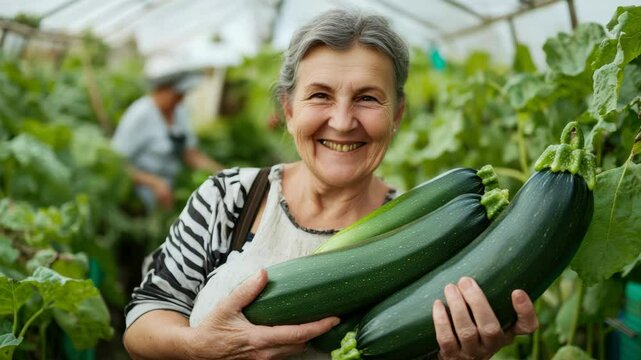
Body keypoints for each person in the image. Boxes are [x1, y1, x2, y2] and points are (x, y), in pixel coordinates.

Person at [123, 9, 539, 360]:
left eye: (368, 98)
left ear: (398, 115)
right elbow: (145, 315)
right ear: (288, 110)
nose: (342, 121)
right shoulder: (229, 199)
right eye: (319, 95)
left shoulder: (430, 231)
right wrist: (196, 345)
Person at [111, 71, 223, 211]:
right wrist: (153, 182)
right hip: (137, 200)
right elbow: (115, 164)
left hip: (169, 195)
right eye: (177, 95)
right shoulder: (139, 115)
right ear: (163, 88)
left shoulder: (179, 112)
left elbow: (190, 153)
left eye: (183, 95)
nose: (180, 99)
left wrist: (223, 174)